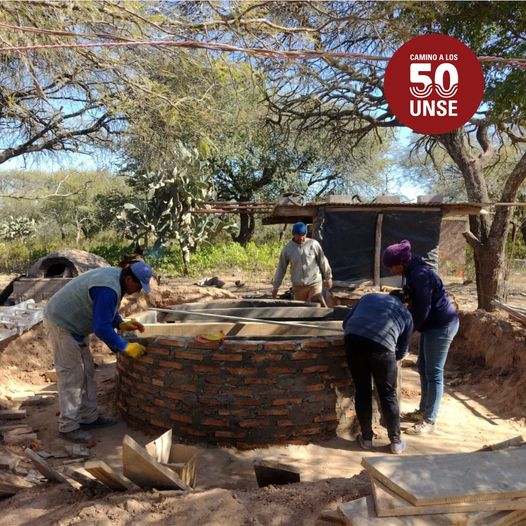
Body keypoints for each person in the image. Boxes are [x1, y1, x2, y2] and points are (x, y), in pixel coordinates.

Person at [43, 262, 153, 443]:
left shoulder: (116, 280)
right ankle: (68, 427)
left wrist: (119, 323)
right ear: (128, 278)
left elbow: (104, 310)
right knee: (72, 376)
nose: (139, 290)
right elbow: (101, 327)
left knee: (87, 371)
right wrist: (125, 346)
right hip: (61, 324)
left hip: (76, 325)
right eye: (138, 285)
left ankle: (88, 417)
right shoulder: (108, 288)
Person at [382, 239, 459, 435]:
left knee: (434, 372)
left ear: (401, 263)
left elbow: (424, 308)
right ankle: (423, 411)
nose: (391, 270)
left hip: (441, 325)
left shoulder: (419, 275)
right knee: (423, 367)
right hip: (431, 325)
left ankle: (429, 421)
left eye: (391, 266)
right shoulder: (412, 271)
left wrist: (409, 330)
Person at [343, 291, 413, 454]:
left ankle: (366, 439)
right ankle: (395, 442)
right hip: (383, 348)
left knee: (362, 390)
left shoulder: (368, 297)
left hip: (354, 342)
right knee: (388, 394)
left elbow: (346, 323)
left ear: (388, 295)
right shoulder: (406, 313)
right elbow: (401, 352)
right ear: (405, 304)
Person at [271, 222, 333, 306]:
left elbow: (323, 261)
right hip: (298, 286)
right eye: (298, 235)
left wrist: (328, 277)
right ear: (293, 234)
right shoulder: (288, 249)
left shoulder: (313, 244)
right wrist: (276, 287)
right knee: (301, 309)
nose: (301, 238)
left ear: (306, 233)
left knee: (316, 304)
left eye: (303, 235)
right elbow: (281, 268)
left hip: (314, 282)